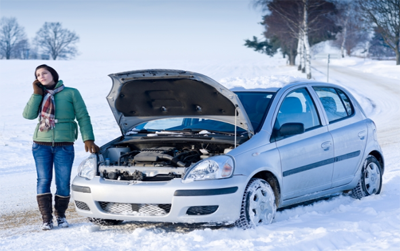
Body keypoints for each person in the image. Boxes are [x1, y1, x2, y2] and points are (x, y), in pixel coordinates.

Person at [23, 64, 100, 230]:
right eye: (38, 74)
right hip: (40, 145)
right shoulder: (39, 94)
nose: (41, 76)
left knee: (63, 182)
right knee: (43, 180)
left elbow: (83, 116)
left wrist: (88, 138)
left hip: (64, 145)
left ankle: (61, 216)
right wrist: (37, 94)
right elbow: (28, 115)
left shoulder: (71, 92)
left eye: (45, 73)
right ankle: (46, 220)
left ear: (53, 75)